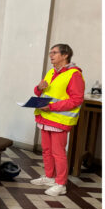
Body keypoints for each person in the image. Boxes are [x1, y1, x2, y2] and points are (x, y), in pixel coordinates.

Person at [30, 43, 85, 196]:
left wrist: (52, 107)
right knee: (46, 150)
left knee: (58, 152)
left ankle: (61, 184)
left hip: (59, 119)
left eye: (54, 52)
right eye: (50, 52)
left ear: (65, 55)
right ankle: (49, 177)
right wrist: (39, 88)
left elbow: (76, 100)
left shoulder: (74, 74)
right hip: (44, 116)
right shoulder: (51, 72)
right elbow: (40, 91)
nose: (51, 55)